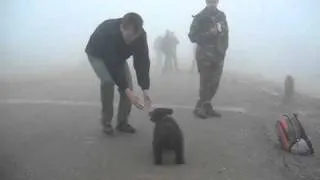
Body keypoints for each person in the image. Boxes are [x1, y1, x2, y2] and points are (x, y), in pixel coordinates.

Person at [85, 12, 152, 135]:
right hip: (97, 55)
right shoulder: (109, 33)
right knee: (108, 82)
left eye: (134, 37)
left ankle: (122, 122)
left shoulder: (140, 36)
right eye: (129, 35)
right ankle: (106, 122)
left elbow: (142, 62)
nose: (131, 40)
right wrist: (127, 91)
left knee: (129, 88)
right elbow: (113, 65)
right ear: (122, 27)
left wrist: (145, 89)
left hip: (118, 57)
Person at [188, 0, 229, 119]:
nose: (212, 4)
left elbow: (226, 33)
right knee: (205, 82)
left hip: (218, 54)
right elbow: (192, 36)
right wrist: (208, 34)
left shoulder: (221, 16)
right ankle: (201, 107)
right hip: (204, 54)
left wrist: (224, 49)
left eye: (214, 2)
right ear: (206, 3)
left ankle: (205, 105)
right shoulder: (200, 17)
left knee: (215, 82)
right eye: (210, 2)